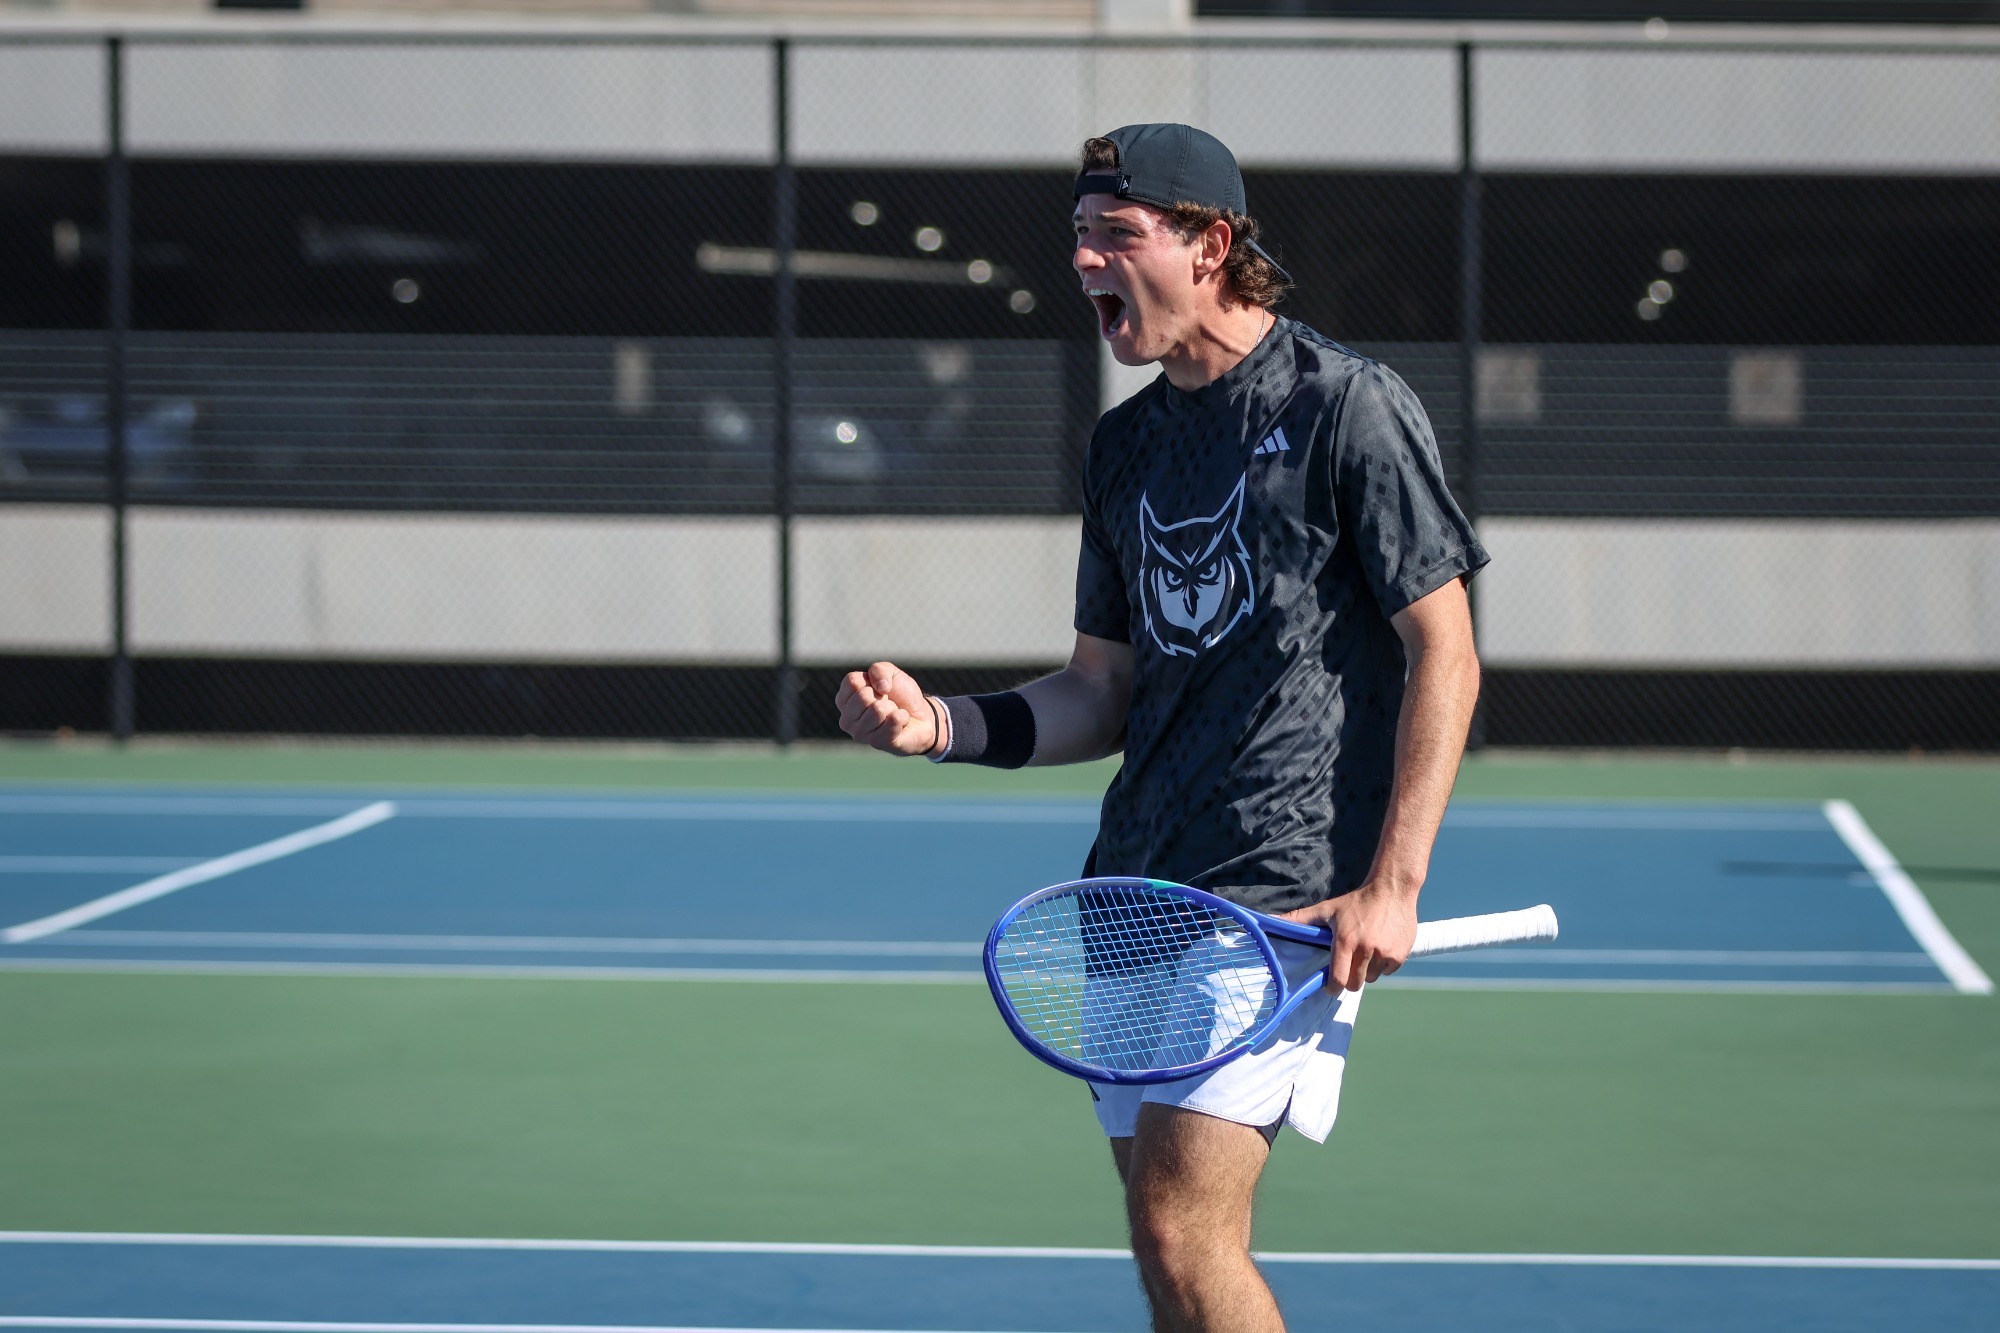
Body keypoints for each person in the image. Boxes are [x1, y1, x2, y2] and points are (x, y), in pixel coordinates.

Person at [835, 123, 1486, 1333]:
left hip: (1276, 895)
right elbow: (1100, 688)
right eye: (1078, 235)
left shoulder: (1344, 406)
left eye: (1115, 234)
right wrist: (939, 726)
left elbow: (1442, 646)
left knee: (1184, 1234)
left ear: (1210, 245)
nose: (1084, 260)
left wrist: (1393, 883)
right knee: (1164, 1251)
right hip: (1135, 892)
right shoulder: (1124, 444)